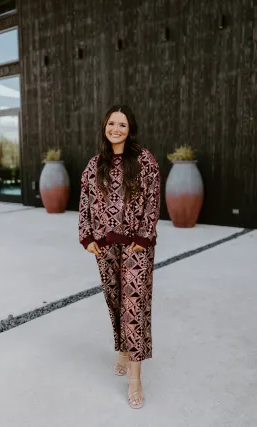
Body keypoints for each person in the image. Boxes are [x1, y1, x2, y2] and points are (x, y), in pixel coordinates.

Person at [78, 104, 160, 409]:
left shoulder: (144, 160)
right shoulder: (94, 164)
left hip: (137, 247)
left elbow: (153, 199)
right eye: (111, 123)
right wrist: (86, 236)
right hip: (104, 246)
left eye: (122, 125)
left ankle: (135, 378)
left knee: (134, 307)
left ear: (130, 129)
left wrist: (144, 235)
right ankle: (123, 350)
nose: (116, 129)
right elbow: (84, 202)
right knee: (114, 300)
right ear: (104, 127)